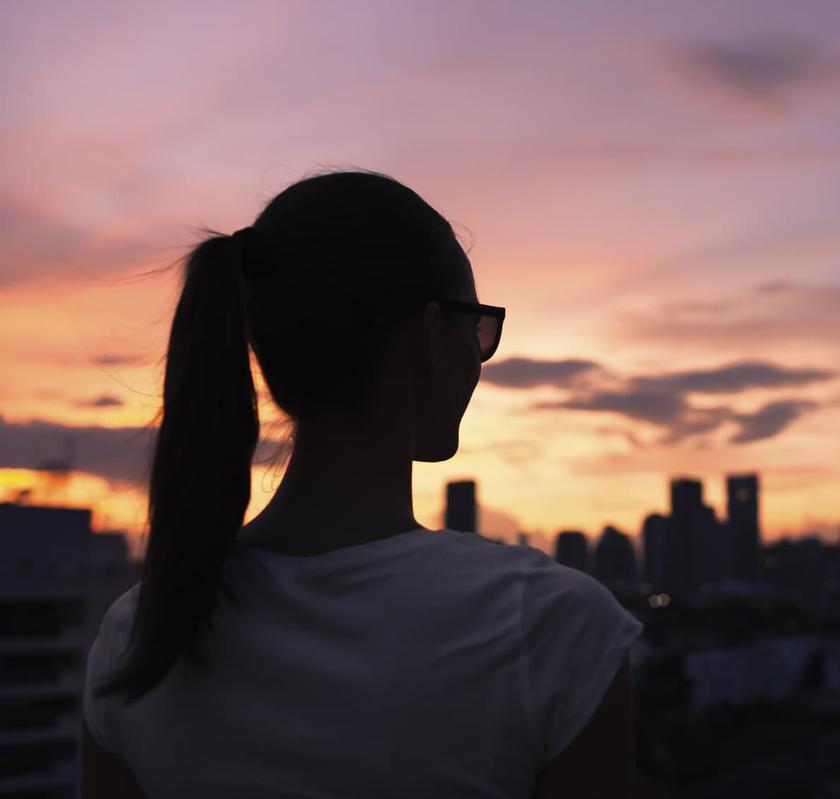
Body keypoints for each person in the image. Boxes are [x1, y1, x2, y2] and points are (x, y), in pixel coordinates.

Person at [80, 169, 645, 798]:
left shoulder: (136, 634)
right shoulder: (548, 625)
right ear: (431, 334)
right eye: (477, 328)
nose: (479, 356)